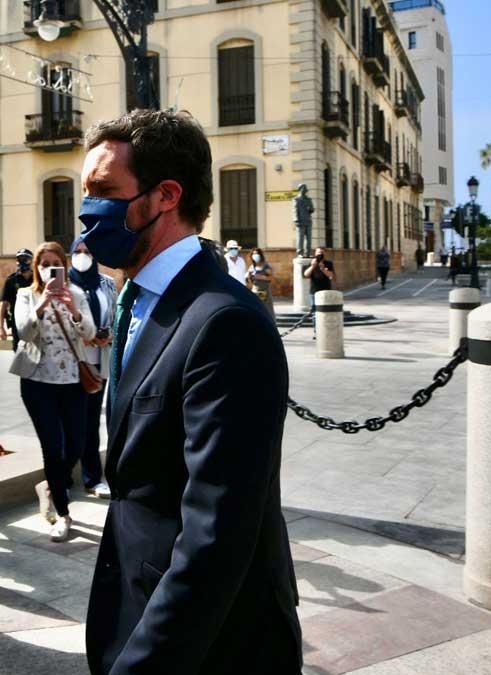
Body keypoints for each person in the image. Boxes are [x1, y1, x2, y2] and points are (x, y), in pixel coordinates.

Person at [79, 109, 301, 674]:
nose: (85, 212)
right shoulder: (137, 300)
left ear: (166, 195)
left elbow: (217, 530)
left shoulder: (225, 322)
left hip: (211, 641)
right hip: (136, 602)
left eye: (103, 191)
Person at [9, 241, 96, 542]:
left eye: (54, 263)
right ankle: (63, 513)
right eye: (43, 264)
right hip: (37, 382)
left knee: (77, 443)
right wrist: (43, 302)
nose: (49, 269)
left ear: (64, 265)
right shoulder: (25, 295)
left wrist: (72, 308)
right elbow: (24, 332)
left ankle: (49, 485)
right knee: (53, 447)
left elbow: (90, 332)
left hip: (73, 381)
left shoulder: (79, 294)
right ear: (36, 268)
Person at [68, 236, 115, 499]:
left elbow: (117, 318)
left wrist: (107, 335)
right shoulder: (63, 284)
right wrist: (83, 333)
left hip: (98, 363)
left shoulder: (106, 284)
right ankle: (61, 477)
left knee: (90, 423)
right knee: (69, 422)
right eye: (79, 251)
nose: (83, 255)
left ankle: (92, 477)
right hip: (71, 363)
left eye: (88, 251)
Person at [0, 249, 34, 351]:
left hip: (35, 321)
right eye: (19, 259)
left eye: (25, 259)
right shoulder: (11, 280)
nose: (21, 262)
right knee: (19, 352)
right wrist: (1, 327)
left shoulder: (37, 279)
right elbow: (3, 304)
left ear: (31, 261)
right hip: (17, 322)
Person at [303, 246, 337, 337]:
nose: (320, 255)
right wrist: (313, 266)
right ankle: (317, 332)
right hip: (314, 292)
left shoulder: (328, 263)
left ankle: (326, 331)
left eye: (322, 253)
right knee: (315, 313)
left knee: (326, 312)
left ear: (324, 254)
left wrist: (322, 269)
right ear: (315, 254)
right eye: (318, 253)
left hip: (326, 292)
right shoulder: (312, 263)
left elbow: (332, 276)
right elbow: (305, 274)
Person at [246, 246, 276, 318]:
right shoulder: (252, 267)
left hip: (264, 291)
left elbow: (271, 278)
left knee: (267, 309)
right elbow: (250, 282)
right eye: (253, 254)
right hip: (255, 291)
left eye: (257, 253)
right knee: (256, 309)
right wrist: (249, 277)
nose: (255, 255)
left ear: (260, 255)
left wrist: (260, 277)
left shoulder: (265, 266)